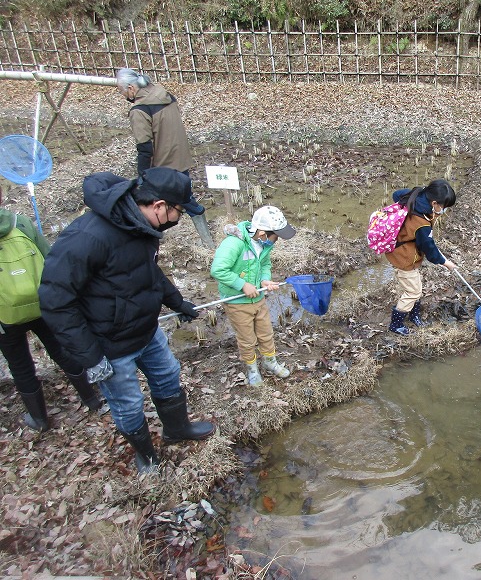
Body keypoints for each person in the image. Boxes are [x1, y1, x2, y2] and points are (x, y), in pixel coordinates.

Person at [38, 167, 215, 474]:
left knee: (168, 375)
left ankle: (176, 429)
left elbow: (148, 272)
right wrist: (91, 357)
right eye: (178, 212)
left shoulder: (140, 227)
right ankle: (145, 455)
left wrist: (177, 302)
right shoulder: (87, 236)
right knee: (129, 403)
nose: (179, 219)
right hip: (110, 345)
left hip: (146, 331)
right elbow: (55, 302)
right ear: (159, 206)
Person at [0, 186, 104, 431]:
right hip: (42, 302)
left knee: (20, 364)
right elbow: (51, 259)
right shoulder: (21, 223)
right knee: (60, 349)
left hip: (5, 315)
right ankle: (91, 399)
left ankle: (39, 419)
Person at [115, 67, 215, 249]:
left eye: (121, 91)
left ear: (131, 88)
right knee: (184, 196)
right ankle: (206, 239)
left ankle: (152, 240)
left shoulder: (140, 109)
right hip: (180, 157)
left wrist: (143, 175)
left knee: (154, 202)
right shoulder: (165, 95)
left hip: (162, 164)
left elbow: (145, 147)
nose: (123, 95)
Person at [210, 206, 295, 386]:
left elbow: (265, 265)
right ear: (263, 233)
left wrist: (264, 280)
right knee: (247, 338)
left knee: (266, 332)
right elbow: (218, 270)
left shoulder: (263, 245)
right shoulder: (234, 244)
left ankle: (270, 361)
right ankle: (252, 368)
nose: (276, 240)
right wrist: (242, 285)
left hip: (258, 298)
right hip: (237, 302)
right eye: (276, 236)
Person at [385, 179, 457, 336]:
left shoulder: (415, 195)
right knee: (413, 292)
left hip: (402, 248)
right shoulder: (421, 223)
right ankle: (395, 324)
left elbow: (396, 194)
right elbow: (429, 249)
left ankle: (414, 315)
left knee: (415, 285)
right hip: (404, 257)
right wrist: (446, 263)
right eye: (443, 207)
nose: (444, 210)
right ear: (434, 203)